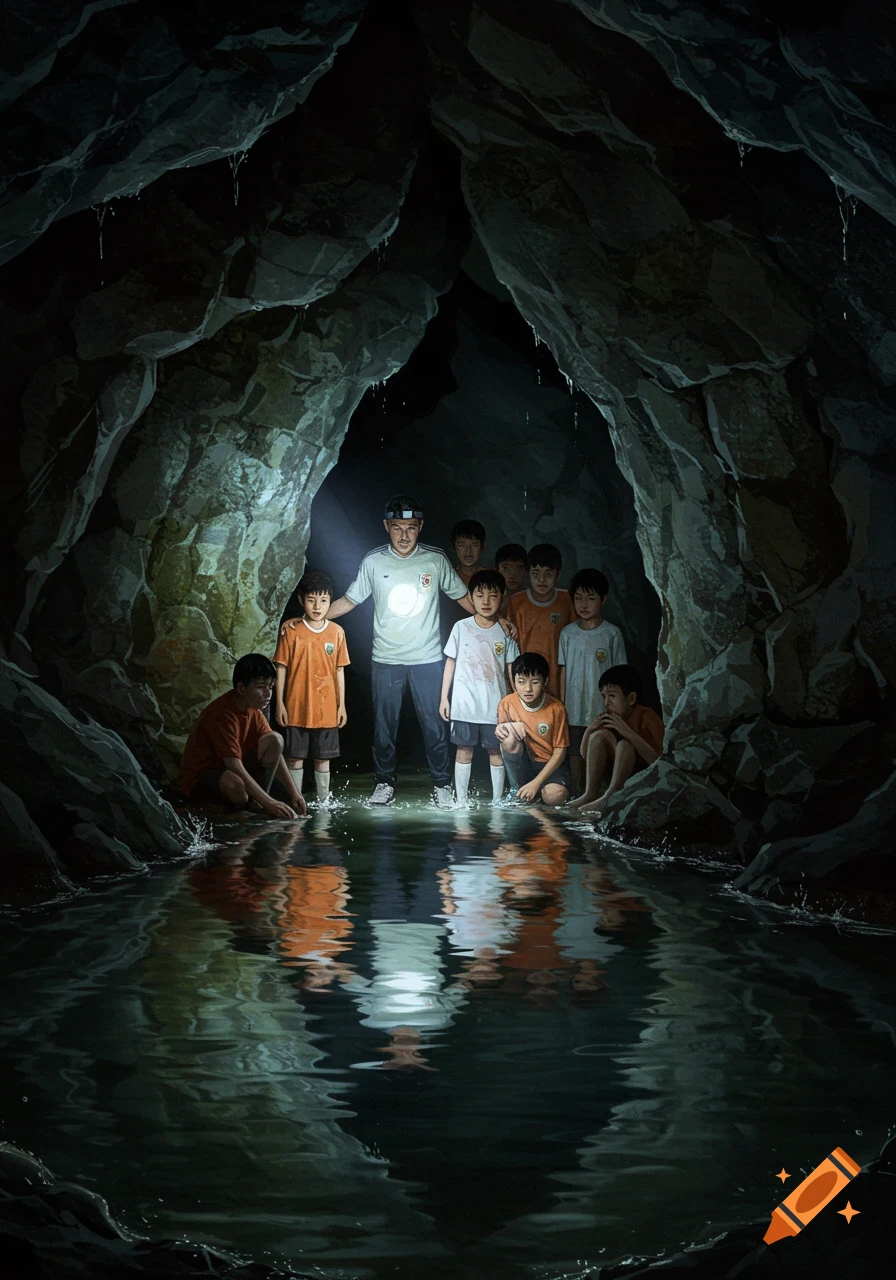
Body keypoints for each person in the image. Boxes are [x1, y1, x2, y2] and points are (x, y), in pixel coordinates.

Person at [281, 495, 515, 806]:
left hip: (428, 658)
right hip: (386, 659)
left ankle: (442, 785)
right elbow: (350, 601)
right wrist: (308, 617)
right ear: (385, 527)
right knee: (384, 726)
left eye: (410, 528)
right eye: (397, 528)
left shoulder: (434, 559)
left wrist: (497, 619)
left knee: (434, 724)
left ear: (420, 527)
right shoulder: (374, 561)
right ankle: (384, 784)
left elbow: (463, 599)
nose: (404, 535)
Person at [181, 654, 306, 819]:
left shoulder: (254, 710)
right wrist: (270, 803)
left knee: (275, 740)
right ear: (241, 688)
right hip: (204, 776)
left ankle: (255, 804)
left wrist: (295, 793)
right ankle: (217, 810)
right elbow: (233, 765)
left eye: (270, 686)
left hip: (231, 769)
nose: (268, 693)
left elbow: (275, 750)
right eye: (261, 687)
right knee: (235, 786)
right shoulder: (223, 713)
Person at [440, 568, 520, 806]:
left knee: (496, 752)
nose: (486, 601)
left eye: (493, 595)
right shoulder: (461, 627)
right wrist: (444, 698)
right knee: (464, 750)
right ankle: (461, 801)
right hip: (464, 705)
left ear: (502, 596)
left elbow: (511, 669)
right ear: (471, 596)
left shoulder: (506, 633)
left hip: (495, 707)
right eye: (480, 594)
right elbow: (450, 662)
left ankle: (497, 801)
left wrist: (515, 705)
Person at [273, 569, 349, 807]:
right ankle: (296, 801)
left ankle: (324, 802)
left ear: (330, 601)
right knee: (295, 758)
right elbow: (281, 668)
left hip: (326, 711)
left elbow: (339, 670)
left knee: (322, 759)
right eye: (311, 600)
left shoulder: (337, 632)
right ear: (301, 600)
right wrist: (280, 704)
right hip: (296, 707)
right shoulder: (291, 631)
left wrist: (341, 705)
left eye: (324, 600)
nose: (317, 606)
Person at [558, 568, 627, 788]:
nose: (584, 604)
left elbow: (621, 673)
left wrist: (618, 708)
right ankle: (578, 791)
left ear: (603, 599)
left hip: (602, 708)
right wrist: (562, 705)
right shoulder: (567, 634)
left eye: (590, 598)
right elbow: (562, 670)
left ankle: (602, 791)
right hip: (573, 707)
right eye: (578, 598)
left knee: (603, 747)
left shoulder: (611, 633)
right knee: (576, 751)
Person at [568, 664, 664, 813]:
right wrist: (589, 731)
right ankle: (590, 794)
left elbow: (658, 759)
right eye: (604, 696)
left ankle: (610, 796)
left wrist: (625, 730)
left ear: (631, 698)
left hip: (642, 772)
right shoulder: (609, 717)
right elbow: (585, 755)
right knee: (599, 735)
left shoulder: (648, 717)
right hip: (619, 770)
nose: (606, 702)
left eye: (612, 696)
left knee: (624, 745)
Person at [495, 652, 571, 806]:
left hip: (549, 764)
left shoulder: (556, 708)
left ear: (545, 682)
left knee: (554, 796)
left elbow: (560, 752)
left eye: (535, 682)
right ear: (514, 681)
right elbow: (505, 740)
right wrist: (501, 728)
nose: (528, 689)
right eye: (521, 682)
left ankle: (536, 791)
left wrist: (536, 783)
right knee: (508, 736)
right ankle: (516, 788)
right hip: (524, 762)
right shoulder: (507, 703)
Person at [505, 543, 576, 696]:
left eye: (548, 574)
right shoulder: (516, 602)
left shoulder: (567, 600)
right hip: (526, 680)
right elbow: (509, 646)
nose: (542, 579)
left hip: (559, 678)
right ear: (527, 573)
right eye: (536, 573)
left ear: (558, 574)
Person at [451, 518, 487, 585]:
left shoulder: (492, 576)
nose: (468, 551)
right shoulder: (449, 577)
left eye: (474, 545)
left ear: (482, 547)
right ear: (454, 547)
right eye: (462, 545)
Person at [494, 542, 528, 612]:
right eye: (506, 568)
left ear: (526, 571)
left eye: (518, 568)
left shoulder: (533, 601)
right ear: (497, 571)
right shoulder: (487, 602)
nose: (512, 575)